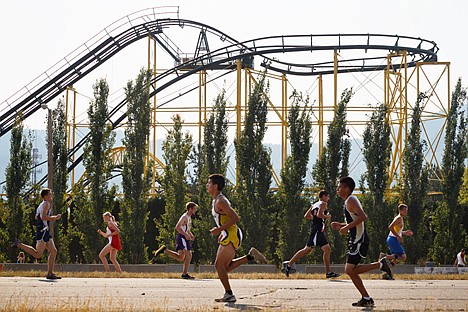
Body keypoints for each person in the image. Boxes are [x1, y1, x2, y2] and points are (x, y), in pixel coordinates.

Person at [331, 177, 393, 308]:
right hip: (356, 239)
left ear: (346, 189)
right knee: (351, 270)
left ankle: (379, 266)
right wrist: (342, 225)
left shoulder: (351, 200)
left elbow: (363, 216)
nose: (337, 189)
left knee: (349, 269)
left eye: (339, 187)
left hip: (359, 240)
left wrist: (347, 227)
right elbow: (356, 220)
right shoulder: (348, 201)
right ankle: (366, 298)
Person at [207, 173, 267, 303]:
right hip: (229, 234)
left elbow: (235, 218)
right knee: (224, 268)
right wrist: (222, 232)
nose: (207, 185)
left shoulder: (220, 201)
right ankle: (249, 257)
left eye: (209, 183)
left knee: (219, 266)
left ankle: (229, 294)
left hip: (231, 235)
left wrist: (219, 230)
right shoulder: (217, 200)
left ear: (215, 186)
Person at [281, 190, 340, 278]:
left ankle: (289, 265)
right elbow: (320, 215)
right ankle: (289, 265)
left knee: (318, 249)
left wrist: (315, 218)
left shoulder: (314, 205)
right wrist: (327, 216)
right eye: (327, 196)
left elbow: (306, 216)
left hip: (316, 230)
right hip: (317, 230)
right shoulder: (323, 204)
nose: (328, 199)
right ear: (323, 196)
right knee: (311, 249)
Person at [11, 188, 62, 279]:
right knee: (37, 254)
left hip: (44, 230)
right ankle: (19, 244)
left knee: (53, 251)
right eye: (50, 194)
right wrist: (54, 217)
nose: (52, 195)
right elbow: (42, 217)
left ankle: (50, 273)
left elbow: (36, 217)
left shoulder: (41, 205)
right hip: (43, 231)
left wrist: (48, 218)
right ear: (46, 196)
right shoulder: (46, 204)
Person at [154, 202, 198, 279]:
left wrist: (190, 234)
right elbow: (177, 227)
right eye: (194, 209)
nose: (195, 210)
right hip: (182, 238)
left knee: (181, 257)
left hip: (184, 237)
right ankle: (185, 274)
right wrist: (185, 235)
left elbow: (185, 228)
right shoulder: (184, 217)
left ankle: (165, 250)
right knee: (189, 255)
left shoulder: (189, 217)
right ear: (190, 209)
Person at [382, 203, 413, 276]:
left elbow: (397, 231)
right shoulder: (398, 218)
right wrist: (398, 237)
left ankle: (387, 272)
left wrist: (404, 233)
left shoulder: (400, 218)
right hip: (393, 239)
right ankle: (384, 257)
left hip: (392, 238)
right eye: (405, 211)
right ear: (400, 210)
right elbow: (390, 227)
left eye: (406, 211)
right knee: (403, 257)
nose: (406, 212)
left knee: (395, 259)